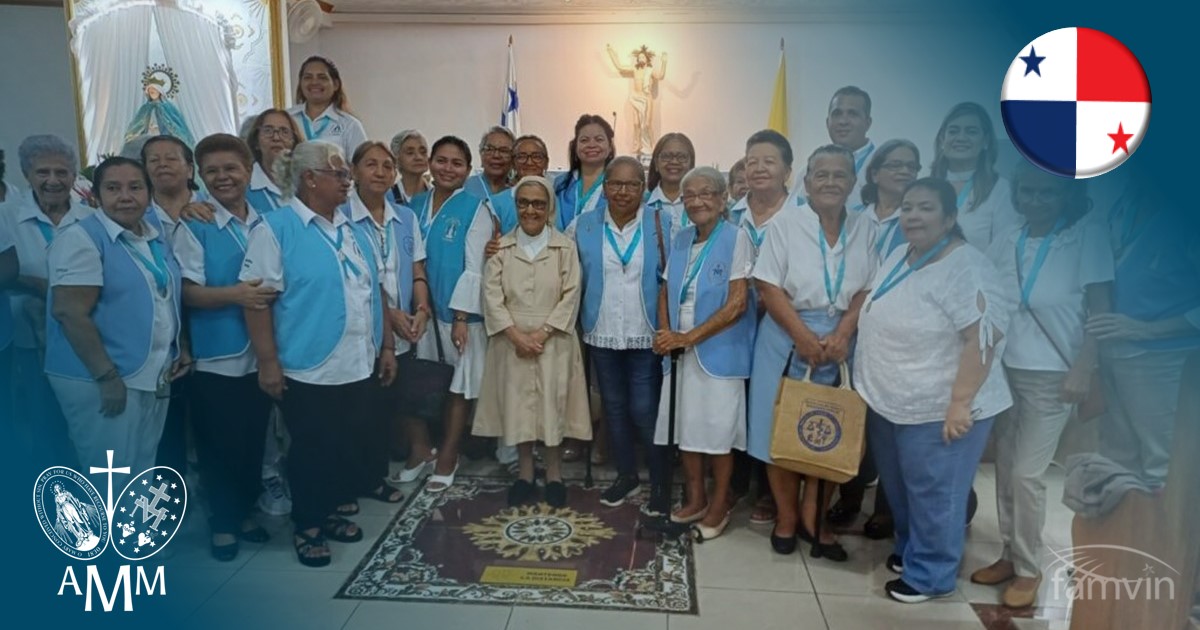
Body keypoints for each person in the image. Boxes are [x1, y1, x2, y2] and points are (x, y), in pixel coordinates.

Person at [855, 177, 1015, 603]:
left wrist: (960, 403)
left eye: (925, 208)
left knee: (935, 491)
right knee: (902, 487)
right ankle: (912, 551)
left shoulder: (967, 266)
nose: (913, 216)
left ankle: (931, 574)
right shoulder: (900, 255)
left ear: (950, 217)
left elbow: (983, 336)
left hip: (942, 406)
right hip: (894, 401)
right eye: (907, 207)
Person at [239, 140, 395, 567]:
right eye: (340, 174)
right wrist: (268, 362)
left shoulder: (351, 228)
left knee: (344, 443)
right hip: (310, 364)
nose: (349, 182)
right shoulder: (276, 229)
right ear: (310, 178)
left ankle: (328, 510)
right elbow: (257, 302)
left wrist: (385, 346)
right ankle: (307, 525)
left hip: (356, 360)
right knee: (311, 447)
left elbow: (373, 293)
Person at [970, 160, 1113, 608]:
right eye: (1027, 192)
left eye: (1046, 193)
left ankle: (1031, 570)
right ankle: (1010, 554)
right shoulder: (1008, 239)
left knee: (1028, 474)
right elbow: (989, 297)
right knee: (1006, 469)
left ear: (1067, 196)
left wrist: (1084, 368)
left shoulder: (1087, 238)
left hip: (1054, 373)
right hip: (1005, 369)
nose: (1034, 201)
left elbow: (1101, 313)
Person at [747, 145, 876, 562]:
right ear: (805, 182)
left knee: (833, 433)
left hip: (842, 342)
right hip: (787, 337)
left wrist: (843, 331)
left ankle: (815, 517)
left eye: (840, 175)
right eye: (821, 174)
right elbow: (768, 285)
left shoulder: (865, 228)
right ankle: (787, 517)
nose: (831, 182)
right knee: (781, 431)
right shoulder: (785, 224)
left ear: (854, 183)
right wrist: (802, 335)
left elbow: (867, 289)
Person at [44, 157, 190, 479]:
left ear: (149, 193)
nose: (126, 196)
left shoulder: (151, 236)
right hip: (100, 377)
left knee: (141, 467)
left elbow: (163, 295)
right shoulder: (81, 239)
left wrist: (178, 346)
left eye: (135, 187)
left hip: (148, 372)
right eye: (113, 188)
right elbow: (70, 313)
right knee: (109, 475)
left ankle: (132, 530)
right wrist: (107, 378)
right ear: (96, 196)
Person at [174, 134, 278, 561]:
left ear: (249, 170)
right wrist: (237, 295)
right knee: (218, 442)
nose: (223, 178)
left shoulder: (269, 218)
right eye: (212, 171)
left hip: (264, 349)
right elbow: (187, 293)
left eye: (231, 168)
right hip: (216, 353)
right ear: (201, 176)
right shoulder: (194, 224)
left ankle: (247, 510)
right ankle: (222, 521)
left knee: (256, 438)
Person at [474, 175, 590, 508]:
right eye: (523, 203)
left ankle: (554, 474)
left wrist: (540, 334)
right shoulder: (502, 247)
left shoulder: (564, 247)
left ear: (549, 207)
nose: (530, 210)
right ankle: (525, 474)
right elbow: (491, 295)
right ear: (516, 206)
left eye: (538, 203)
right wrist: (515, 335)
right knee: (518, 408)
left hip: (553, 341)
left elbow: (571, 294)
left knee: (553, 407)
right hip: (511, 343)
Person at [825, 139, 922, 535]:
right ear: (875, 172)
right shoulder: (856, 217)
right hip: (852, 329)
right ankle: (849, 500)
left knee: (890, 425)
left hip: (898, 337)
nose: (903, 171)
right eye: (894, 164)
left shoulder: (916, 219)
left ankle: (885, 509)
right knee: (853, 421)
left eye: (911, 166)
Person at [653, 166, 754, 540]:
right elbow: (665, 291)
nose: (697, 201)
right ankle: (695, 498)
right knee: (687, 429)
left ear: (722, 197)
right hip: (680, 352)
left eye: (706, 193)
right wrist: (666, 333)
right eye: (689, 195)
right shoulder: (680, 239)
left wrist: (689, 337)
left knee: (718, 433)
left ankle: (718, 504)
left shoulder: (736, 237)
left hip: (719, 353)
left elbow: (737, 304)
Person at [567, 156, 669, 514]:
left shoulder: (662, 222)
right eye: (616, 184)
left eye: (632, 184)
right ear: (605, 187)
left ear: (644, 188)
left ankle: (661, 483)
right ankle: (626, 475)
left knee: (644, 409)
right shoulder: (583, 225)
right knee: (613, 408)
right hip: (602, 329)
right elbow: (564, 268)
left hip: (645, 331)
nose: (623, 191)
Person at [1085, 183, 1200, 488]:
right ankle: (1128, 535)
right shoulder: (1124, 203)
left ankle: (1169, 536)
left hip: (1163, 361)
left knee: (1165, 464)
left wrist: (1148, 329)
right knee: (1118, 463)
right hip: (1115, 354)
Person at [1, 135, 94, 468]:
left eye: (62, 172)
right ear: (27, 174)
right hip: (31, 332)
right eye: (43, 172)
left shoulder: (91, 217)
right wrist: (35, 284)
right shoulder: (7, 215)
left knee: (88, 418)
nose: (53, 180)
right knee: (44, 418)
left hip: (85, 334)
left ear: (74, 175)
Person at [342, 140, 427, 499]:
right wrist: (386, 315)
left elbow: (416, 268)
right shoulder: (340, 216)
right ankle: (350, 481)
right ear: (354, 171)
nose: (380, 172)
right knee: (356, 412)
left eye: (386, 167)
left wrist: (422, 309)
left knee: (387, 408)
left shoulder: (404, 217)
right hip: (361, 331)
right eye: (371, 165)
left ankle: (374, 478)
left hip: (404, 328)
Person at [408, 136, 492, 493]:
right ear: (430, 163)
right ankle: (420, 449)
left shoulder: (476, 207)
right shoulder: (413, 204)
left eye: (457, 163)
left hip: (460, 315)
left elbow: (475, 267)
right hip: (420, 311)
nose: (447, 168)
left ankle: (449, 453)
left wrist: (460, 316)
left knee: (459, 386)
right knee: (419, 383)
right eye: (441, 160)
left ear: (468, 170)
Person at [727, 130, 796, 525]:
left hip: (781, 326)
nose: (758, 168)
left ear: (788, 169)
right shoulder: (730, 214)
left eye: (769, 161)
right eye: (752, 160)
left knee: (775, 405)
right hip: (736, 324)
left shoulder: (801, 216)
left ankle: (771, 491)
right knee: (739, 398)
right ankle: (739, 482)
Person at [930, 102, 1021, 251]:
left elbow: (1005, 253)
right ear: (942, 139)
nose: (961, 137)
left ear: (985, 141)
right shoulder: (925, 187)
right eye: (953, 131)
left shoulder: (1002, 191)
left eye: (971, 132)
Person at [796, 86, 876, 211]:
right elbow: (790, 215)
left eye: (852, 114)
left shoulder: (884, 169)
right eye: (837, 114)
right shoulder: (807, 171)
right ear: (828, 122)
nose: (843, 121)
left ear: (868, 122)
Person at [288, 56, 368, 159]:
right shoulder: (287, 118)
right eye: (308, 77)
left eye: (322, 77)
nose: (314, 82)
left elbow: (361, 167)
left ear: (335, 84)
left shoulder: (350, 125)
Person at [605, 44, 668, 159]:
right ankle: (637, 146)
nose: (641, 59)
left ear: (647, 59)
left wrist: (664, 62)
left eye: (643, 57)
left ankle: (652, 147)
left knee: (647, 124)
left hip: (646, 98)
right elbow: (619, 67)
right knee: (636, 124)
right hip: (635, 97)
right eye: (639, 57)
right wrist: (611, 52)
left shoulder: (650, 70)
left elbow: (661, 76)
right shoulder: (635, 69)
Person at [554, 115, 615, 231]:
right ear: (575, 147)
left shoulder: (618, 185)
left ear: (610, 147)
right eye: (584, 140)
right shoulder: (560, 183)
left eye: (599, 139)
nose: (591, 145)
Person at [141, 134, 201, 246]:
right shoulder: (138, 216)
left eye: (171, 159)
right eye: (154, 160)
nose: (162, 164)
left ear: (190, 170)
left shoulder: (212, 207)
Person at [244, 108, 302, 213]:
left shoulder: (305, 180)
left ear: (294, 141)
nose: (276, 138)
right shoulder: (243, 182)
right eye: (268, 131)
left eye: (284, 132)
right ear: (256, 142)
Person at [465, 126, 517, 230]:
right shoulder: (465, 187)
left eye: (504, 150)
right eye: (490, 149)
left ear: (513, 158)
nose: (496, 155)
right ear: (481, 154)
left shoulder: (517, 193)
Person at [645, 133, 696, 227]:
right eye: (667, 156)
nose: (674, 162)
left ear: (691, 164)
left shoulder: (700, 203)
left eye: (681, 157)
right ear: (656, 163)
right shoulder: (642, 203)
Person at [387, 130, 431, 207]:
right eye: (410, 153)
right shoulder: (386, 199)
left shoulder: (438, 198)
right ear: (396, 159)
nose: (419, 157)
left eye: (423, 152)